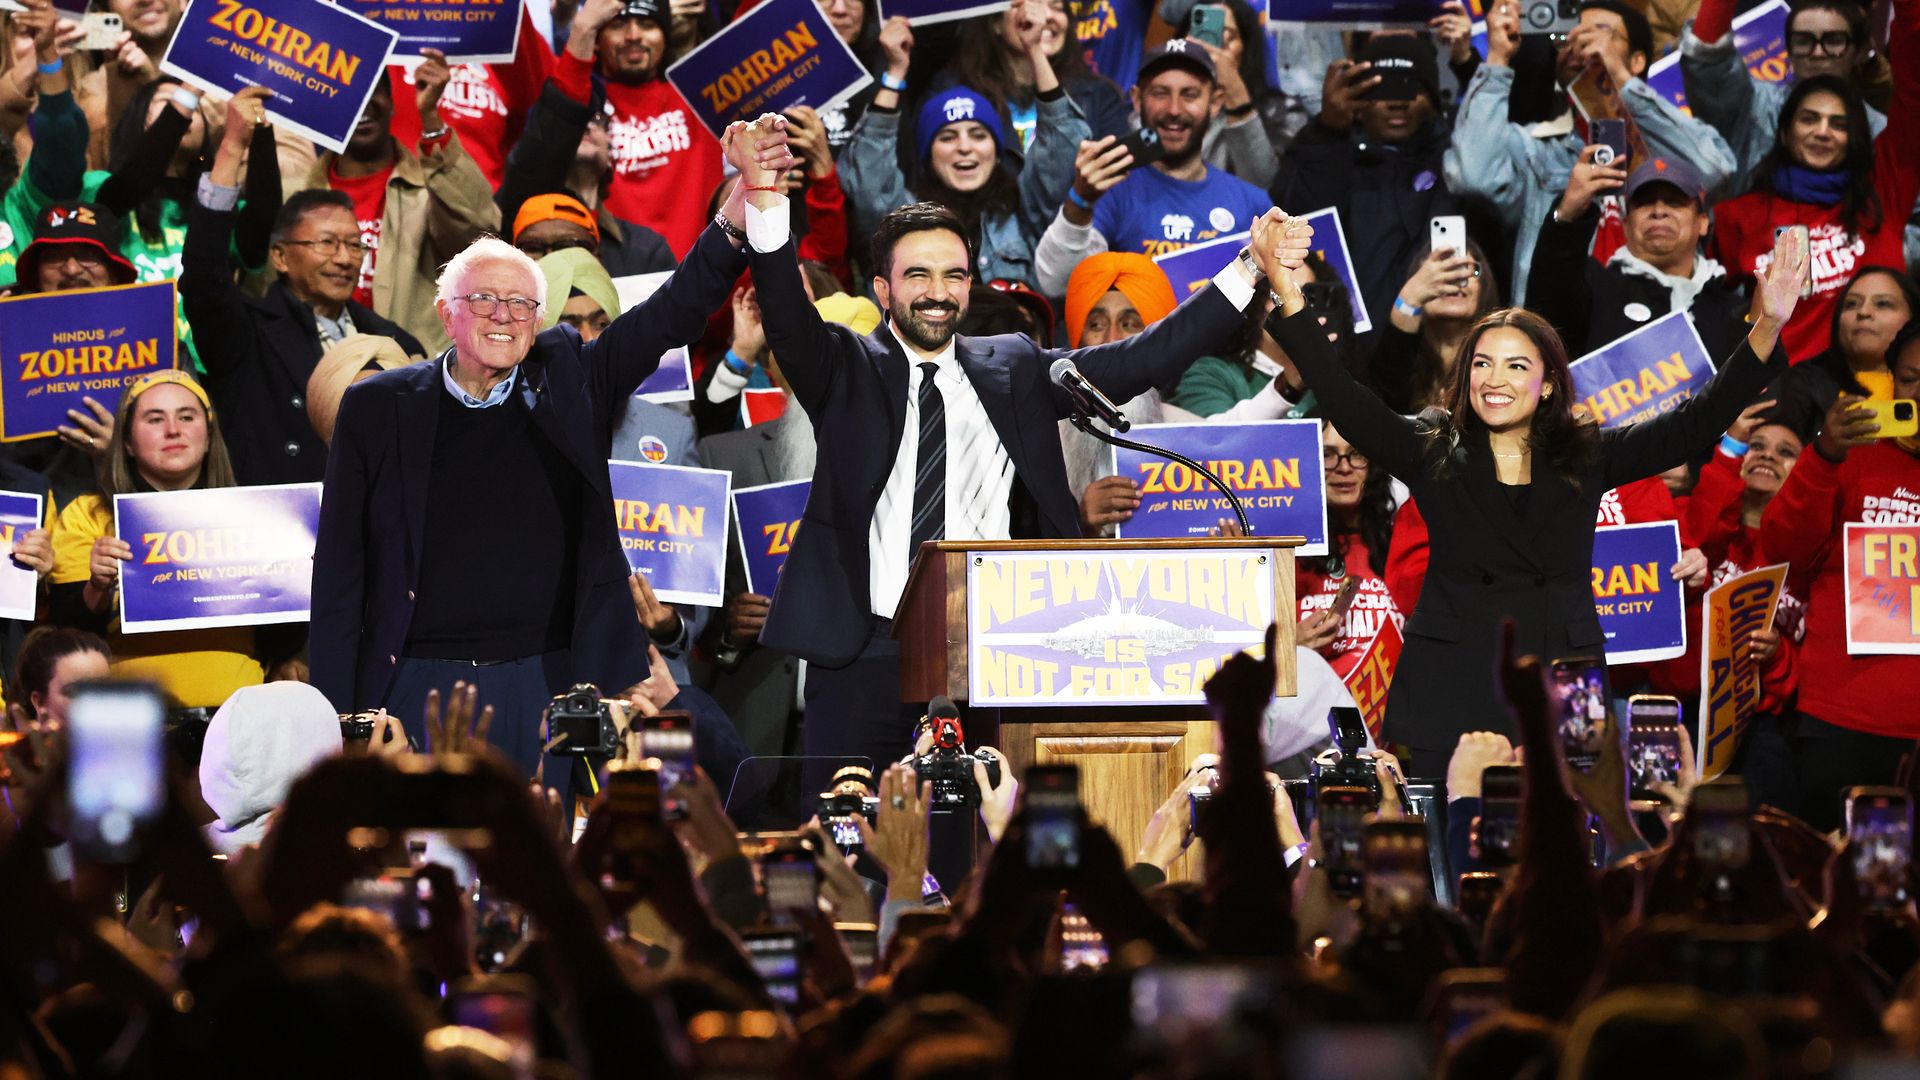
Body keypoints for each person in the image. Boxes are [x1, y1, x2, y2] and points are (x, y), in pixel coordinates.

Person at [731, 112, 1306, 774]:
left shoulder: (1015, 367)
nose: (938, 293)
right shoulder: (845, 365)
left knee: (978, 848)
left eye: (954, 275)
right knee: (853, 840)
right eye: (918, 276)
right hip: (863, 650)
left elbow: (1142, 358)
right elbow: (785, 314)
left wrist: (1246, 270)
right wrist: (766, 197)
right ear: (883, 288)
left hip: (994, 650)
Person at [309, 118, 793, 790]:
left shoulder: (573, 381)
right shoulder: (378, 407)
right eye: (485, 299)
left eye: (523, 303)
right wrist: (341, 714)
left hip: (557, 679)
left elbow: (676, 310)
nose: (506, 315)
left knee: (554, 855)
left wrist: (740, 204)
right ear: (445, 312)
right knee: (429, 855)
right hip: (416, 680)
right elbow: (339, 573)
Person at [1256, 219, 1807, 776]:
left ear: (1546, 384)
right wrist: (1285, 286)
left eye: (1516, 365)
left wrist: (1768, 324)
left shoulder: (1586, 454)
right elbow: (1345, 400)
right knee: (1444, 849)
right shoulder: (1432, 448)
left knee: (1563, 852)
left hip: (1563, 682)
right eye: (1482, 363)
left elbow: (1694, 423)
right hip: (1450, 682)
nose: (1495, 379)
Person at [184, 89, 426, 488]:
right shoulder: (246, 335)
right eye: (326, 243)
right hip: (272, 529)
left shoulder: (390, 340)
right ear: (280, 257)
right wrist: (231, 148)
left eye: (353, 245)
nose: (345, 259)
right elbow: (202, 274)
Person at [1443, 0, 1736, 305]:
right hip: (1562, 338)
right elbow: (1472, 175)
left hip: (1665, 336)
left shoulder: (1669, 141)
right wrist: (1497, 59)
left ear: (1636, 61)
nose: (1578, 43)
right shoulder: (1538, 148)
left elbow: (1714, 171)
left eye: (1600, 31)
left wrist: (1619, 79)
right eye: (1567, 38)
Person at [47, 370, 291, 711]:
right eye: (155, 418)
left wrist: (293, 579)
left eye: (187, 417)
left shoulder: (258, 517)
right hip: (128, 718)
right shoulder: (88, 514)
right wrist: (97, 587)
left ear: (208, 436)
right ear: (128, 441)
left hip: (238, 716)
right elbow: (64, 634)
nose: (173, 430)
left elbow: (279, 641)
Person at [1758, 320, 1920, 830]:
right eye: (1912, 377)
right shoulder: (1850, 452)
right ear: (1892, 381)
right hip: (1842, 720)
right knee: (1834, 892)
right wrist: (1823, 456)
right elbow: (1784, 550)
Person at [1708, 1, 1920, 365]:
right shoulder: (1735, 217)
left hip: (1872, 388)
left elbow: (1915, 87)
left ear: (1856, 137)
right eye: (1809, 119)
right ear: (1785, 133)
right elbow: (1710, 316)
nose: (1823, 132)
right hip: (1775, 399)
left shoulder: (1883, 192)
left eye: (1839, 124)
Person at [842, 7, 1088, 286]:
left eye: (978, 135)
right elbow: (869, 169)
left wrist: (1033, 49)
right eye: (947, 137)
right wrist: (895, 71)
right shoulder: (902, 218)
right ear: (928, 155)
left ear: (997, 152)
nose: (964, 147)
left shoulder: (1025, 212)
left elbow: (1063, 142)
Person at [291, 50, 499, 355]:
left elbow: (479, 234)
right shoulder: (295, 199)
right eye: (350, 93)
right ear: (328, 106)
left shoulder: (432, 194)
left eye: (374, 91)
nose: (364, 103)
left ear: (391, 103)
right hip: (313, 368)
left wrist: (431, 120)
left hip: (409, 373)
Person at [1031, 40, 1272, 295]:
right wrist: (1079, 201)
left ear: (1215, 102)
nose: (1174, 110)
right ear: (1136, 99)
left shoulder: (1252, 203)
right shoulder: (1110, 190)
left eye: (1189, 94)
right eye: (1160, 93)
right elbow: (1056, 283)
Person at [1272, 33, 1469, 331]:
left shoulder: (1459, 161)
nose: (1396, 103)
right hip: (1353, 341)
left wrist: (1470, 64)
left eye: (1409, 88)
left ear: (1432, 97)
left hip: (1438, 342)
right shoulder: (1326, 153)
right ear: (1358, 100)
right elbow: (1301, 221)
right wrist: (1328, 130)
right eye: (1381, 90)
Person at [1528, 153, 1747, 361]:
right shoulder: (1593, 288)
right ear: (1625, 223)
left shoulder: (1735, 313)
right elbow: (1545, 310)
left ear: (1702, 222)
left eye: (1674, 202)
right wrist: (1569, 214)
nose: (1659, 211)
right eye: (1644, 202)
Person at [563, 0, 725, 257]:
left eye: (647, 24)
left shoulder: (701, 95)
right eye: (618, 25)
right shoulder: (580, 108)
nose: (633, 36)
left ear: (665, 35)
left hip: (700, 279)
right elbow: (562, 82)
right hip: (617, 276)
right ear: (596, 39)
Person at [1680, 0, 1888, 186]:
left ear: (1859, 52)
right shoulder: (1753, 103)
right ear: (1788, 52)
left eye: (1833, 41)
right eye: (1803, 42)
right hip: (1759, 227)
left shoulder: (1879, 131)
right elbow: (1707, 59)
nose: (1817, 53)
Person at [1294, 422, 1406, 684]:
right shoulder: (1286, 552)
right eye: (1327, 455)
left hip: (1395, 716)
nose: (1344, 468)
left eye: (1357, 453)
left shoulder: (1400, 543)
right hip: (1313, 717)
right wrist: (1288, 647)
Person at [1771, 266, 1919, 437]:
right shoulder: (1801, 385)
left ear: (1913, 316)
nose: (1863, 312)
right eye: (1851, 304)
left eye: (1883, 304)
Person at [1369, 238, 1504, 415]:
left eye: (1468, 269)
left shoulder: (1502, 354)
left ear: (1484, 287)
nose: (1454, 281)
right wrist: (1409, 300)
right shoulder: (1394, 358)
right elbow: (1384, 402)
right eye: (1441, 271)